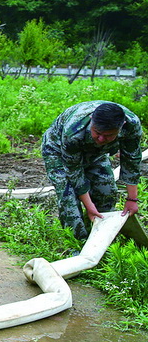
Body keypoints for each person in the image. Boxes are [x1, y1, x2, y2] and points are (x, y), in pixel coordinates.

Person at [41, 101, 142, 240]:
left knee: (106, 192)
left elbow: (132, 159)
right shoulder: (74, 130)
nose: (101, 138)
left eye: (108, 135)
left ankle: (98, 237)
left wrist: (132, 199)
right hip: (58, 152)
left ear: (121, 127)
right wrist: (89, 206)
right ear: (91, 121)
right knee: (69, 198)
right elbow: (74, 171)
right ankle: (77, 246)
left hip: (96, 153)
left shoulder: (131, 124)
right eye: (97, 132)